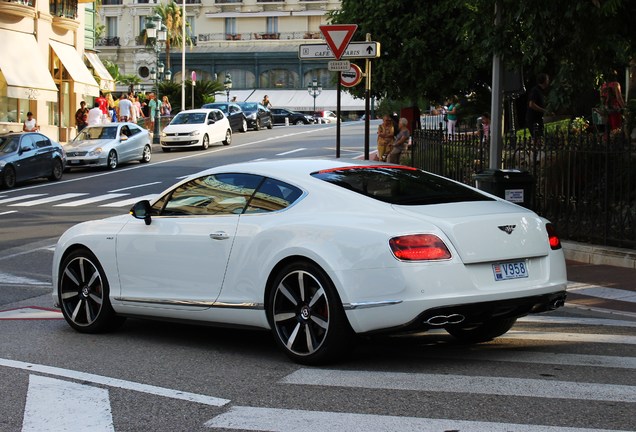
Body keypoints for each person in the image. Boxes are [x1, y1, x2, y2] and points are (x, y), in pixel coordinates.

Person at [525, 73, 550, 137]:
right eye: (547, 79)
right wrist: (544, 110)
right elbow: (531, 104)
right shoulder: (535, 90)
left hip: (538, 119)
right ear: (544, 81)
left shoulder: (541, 91)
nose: (548, 81)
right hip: (533, 119)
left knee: (541, 137)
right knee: (537, 138)